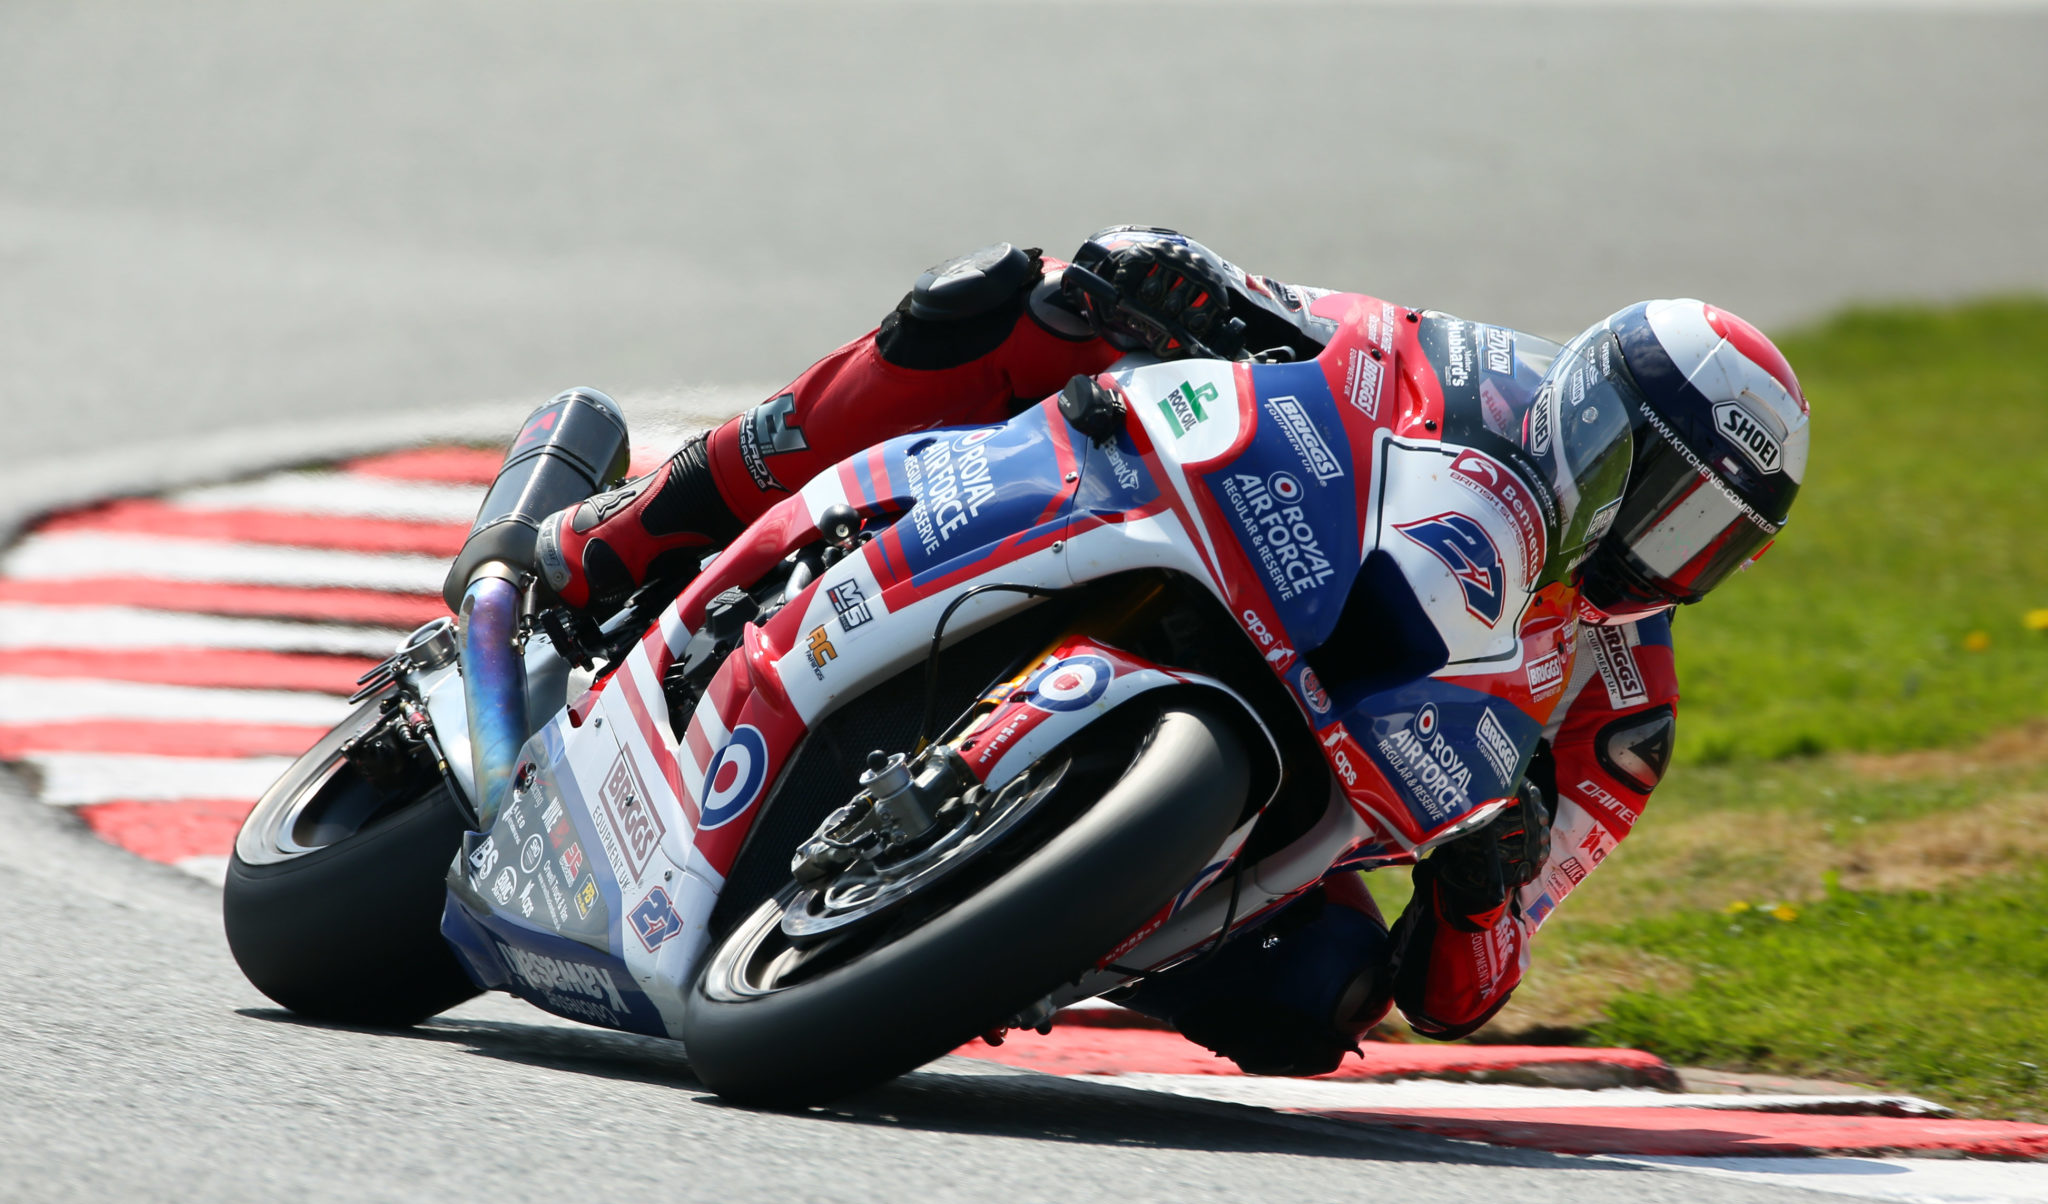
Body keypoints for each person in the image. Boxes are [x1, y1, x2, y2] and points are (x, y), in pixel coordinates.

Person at [522, 227, 1811, 1074]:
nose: (1665, 554)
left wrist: (1485, 884)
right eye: (1666, 499)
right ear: (1600, 423)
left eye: (1711, 541)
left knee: (1325, 997)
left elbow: (1465, 996)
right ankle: (626, 536)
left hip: (1276, 820)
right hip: (1216, 554)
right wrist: (1183, 287)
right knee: (1002, 303)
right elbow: (1293, 318)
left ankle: (1003, 916)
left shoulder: (1622, 712)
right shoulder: (1468, 375)